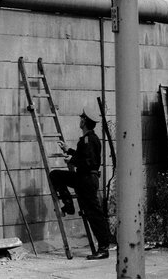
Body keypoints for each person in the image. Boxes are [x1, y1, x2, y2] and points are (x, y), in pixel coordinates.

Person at [49, 109, 110, 260]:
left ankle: (103, 248)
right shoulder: (88, 139)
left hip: (87, 179)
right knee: (56, 175)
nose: (80, 120)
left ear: (84, 122)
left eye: (81, 118)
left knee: (94, 213)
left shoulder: (89, 140)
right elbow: (84, 156)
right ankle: (68, 203)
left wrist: (72, 160)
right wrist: (68, 150)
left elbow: (88, 162)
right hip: (83, 178)